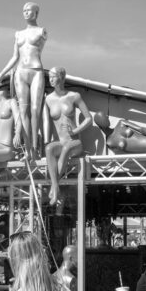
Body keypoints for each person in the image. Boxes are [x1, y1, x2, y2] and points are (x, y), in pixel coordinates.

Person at [0, 1, 47, 157]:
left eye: (29, 10)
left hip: (36, 70)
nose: (26, 13)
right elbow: (15, 57)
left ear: (36, 13)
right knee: (23, 110)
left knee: (35, 110)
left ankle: (35, 146)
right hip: (20, 72)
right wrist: (2, 73)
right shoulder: (18, 34)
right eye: (24, 11)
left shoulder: (41, 31)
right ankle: (29, 149)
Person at [43, 67, 94, 204]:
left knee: (66, 150)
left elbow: (89, 118)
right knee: (49, 149)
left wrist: (76, 131)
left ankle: (54, 188)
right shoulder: (48, 99)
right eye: (49, 77)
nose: (51, 79)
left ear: (61, 77)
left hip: (74, 142)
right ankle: (55, 186)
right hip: (60, 141)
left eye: (53, 76)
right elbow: (46, 121)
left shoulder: (74, 96)